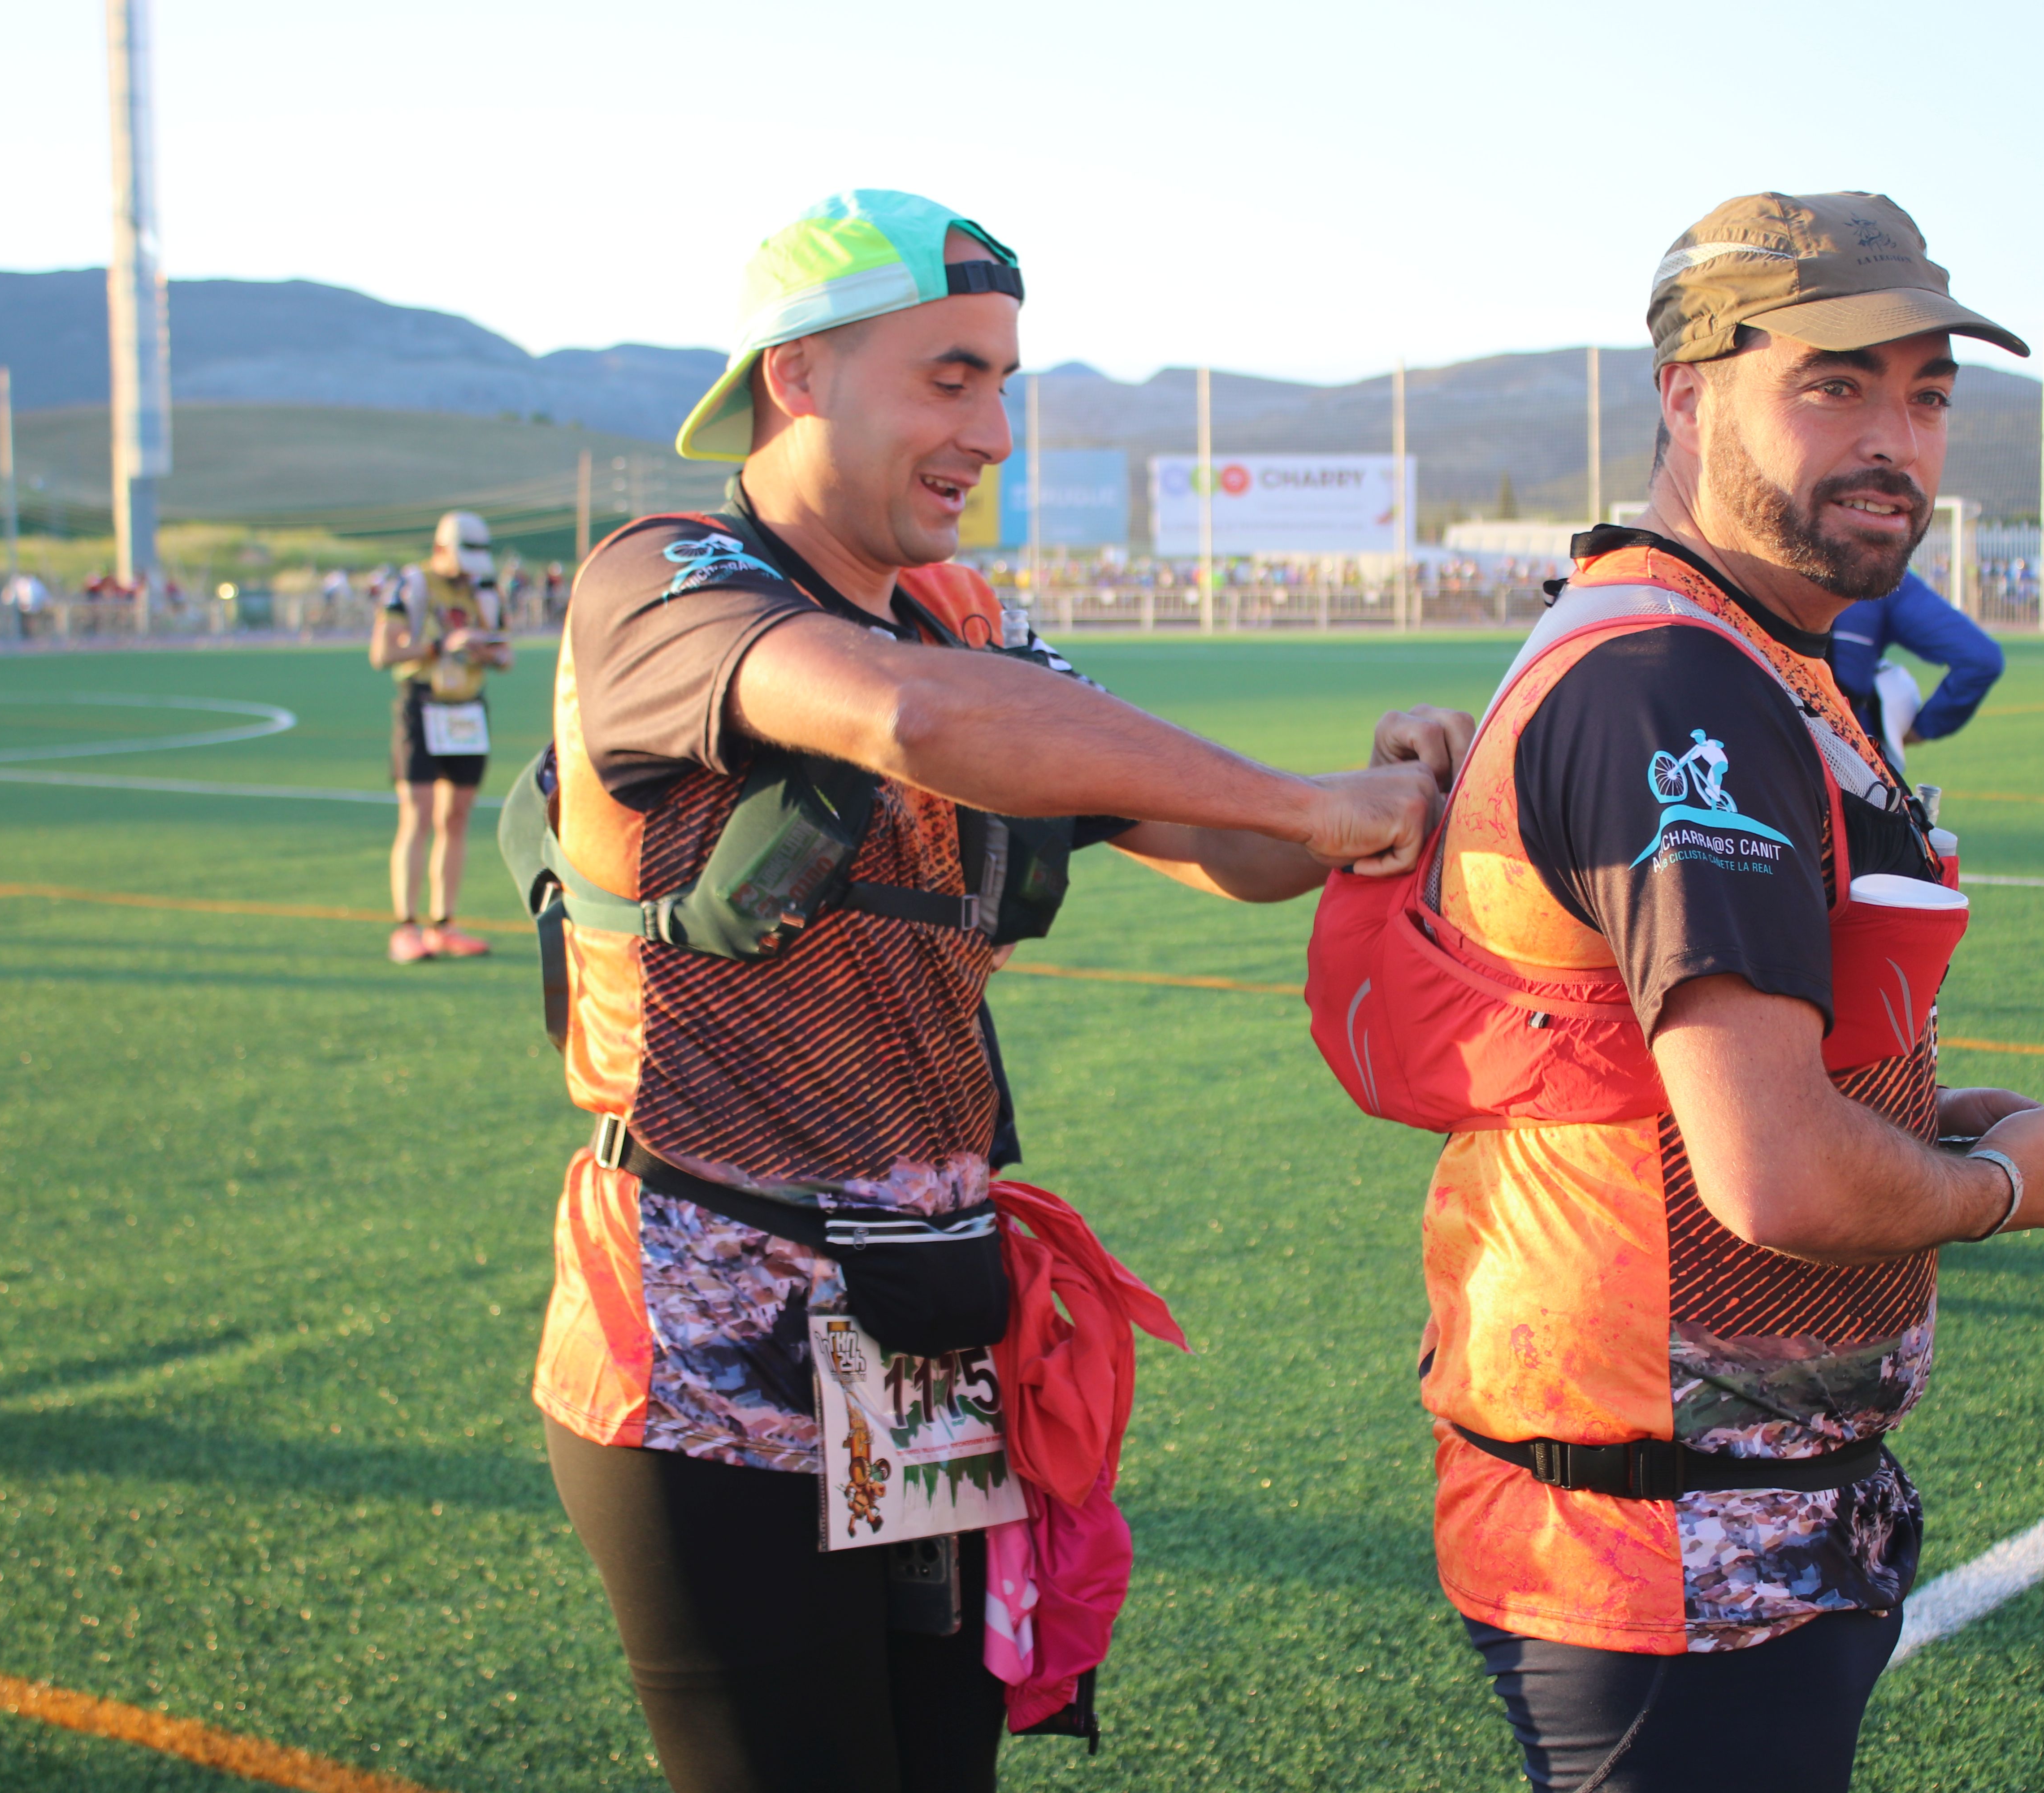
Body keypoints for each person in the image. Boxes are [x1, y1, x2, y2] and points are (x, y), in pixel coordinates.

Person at [528, 189, 1441, 1793]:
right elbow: (902, 718)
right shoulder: (665, 578)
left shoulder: (965, 618)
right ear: (798, 377)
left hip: (923, 1334)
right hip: (700, 1353)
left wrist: (1364, 783)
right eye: (950, 378)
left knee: (943, 1773)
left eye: (1005, 381)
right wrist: (1303, 808)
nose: (994, 432)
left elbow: (1228, 849)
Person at [1365, 192, 2044, 1793]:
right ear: (1687, 389)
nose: (1892, 438)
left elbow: (1715, 1064)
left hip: (1734, 1503)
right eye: (1831, 382)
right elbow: (1764, 1166)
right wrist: (1993, 1185)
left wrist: (1910, 1108)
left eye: (1923, 391)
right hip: (1657, 1531)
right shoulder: (1668, 685)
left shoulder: (1755, 655)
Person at [370, 509, 512, 961]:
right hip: (423, 704)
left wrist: (480, 650)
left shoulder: (483, 592)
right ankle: (405, 925)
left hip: (468, 709)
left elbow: (506, 654)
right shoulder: (412, 586)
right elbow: (382, 652)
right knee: (418, 812)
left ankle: (444, 922)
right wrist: (439, 647)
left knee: (457, 817)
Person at [1828, 570, 2004, 772]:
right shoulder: (1878, 572)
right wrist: (1922, 728)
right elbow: (1981, 658)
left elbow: (1981, 659)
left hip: (1791, 754)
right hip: (1851, 761)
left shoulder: (1786, 568)